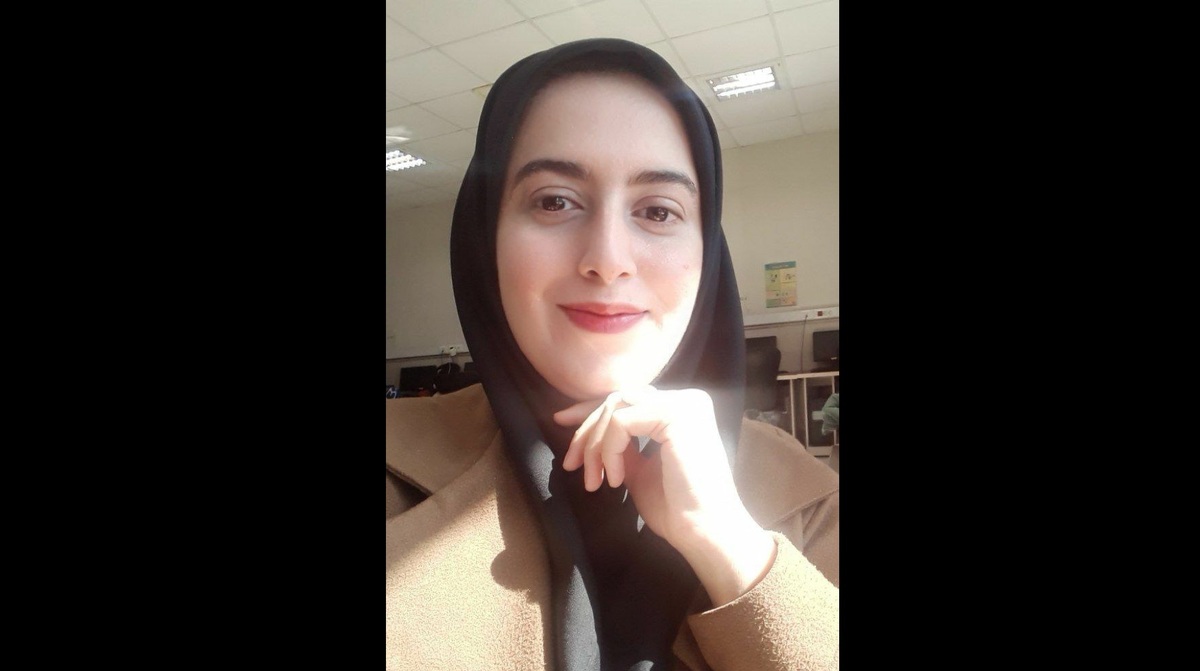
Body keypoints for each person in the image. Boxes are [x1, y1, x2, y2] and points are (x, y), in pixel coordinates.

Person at [386, 37, 839, 671]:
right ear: (486, 236)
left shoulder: (811, 499)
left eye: (657, 210)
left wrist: (732, 548)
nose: (607, 260)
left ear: (706, 252)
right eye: (554, 201)